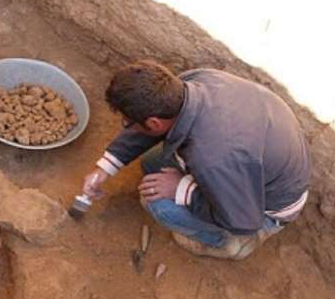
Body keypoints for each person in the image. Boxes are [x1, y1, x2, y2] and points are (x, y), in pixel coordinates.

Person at [82, 60, 311, 259]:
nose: (126, 125)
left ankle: (228, 244)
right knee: (151, 165)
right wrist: (105, 167)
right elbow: (149, 123)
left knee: (158, 204)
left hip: (262, 208)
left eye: (126, 121)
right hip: (252, 164)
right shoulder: (194, 82)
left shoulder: (212, 158)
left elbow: (244, 220)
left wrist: (182, 189)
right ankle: (199, 191)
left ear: (153, 123)